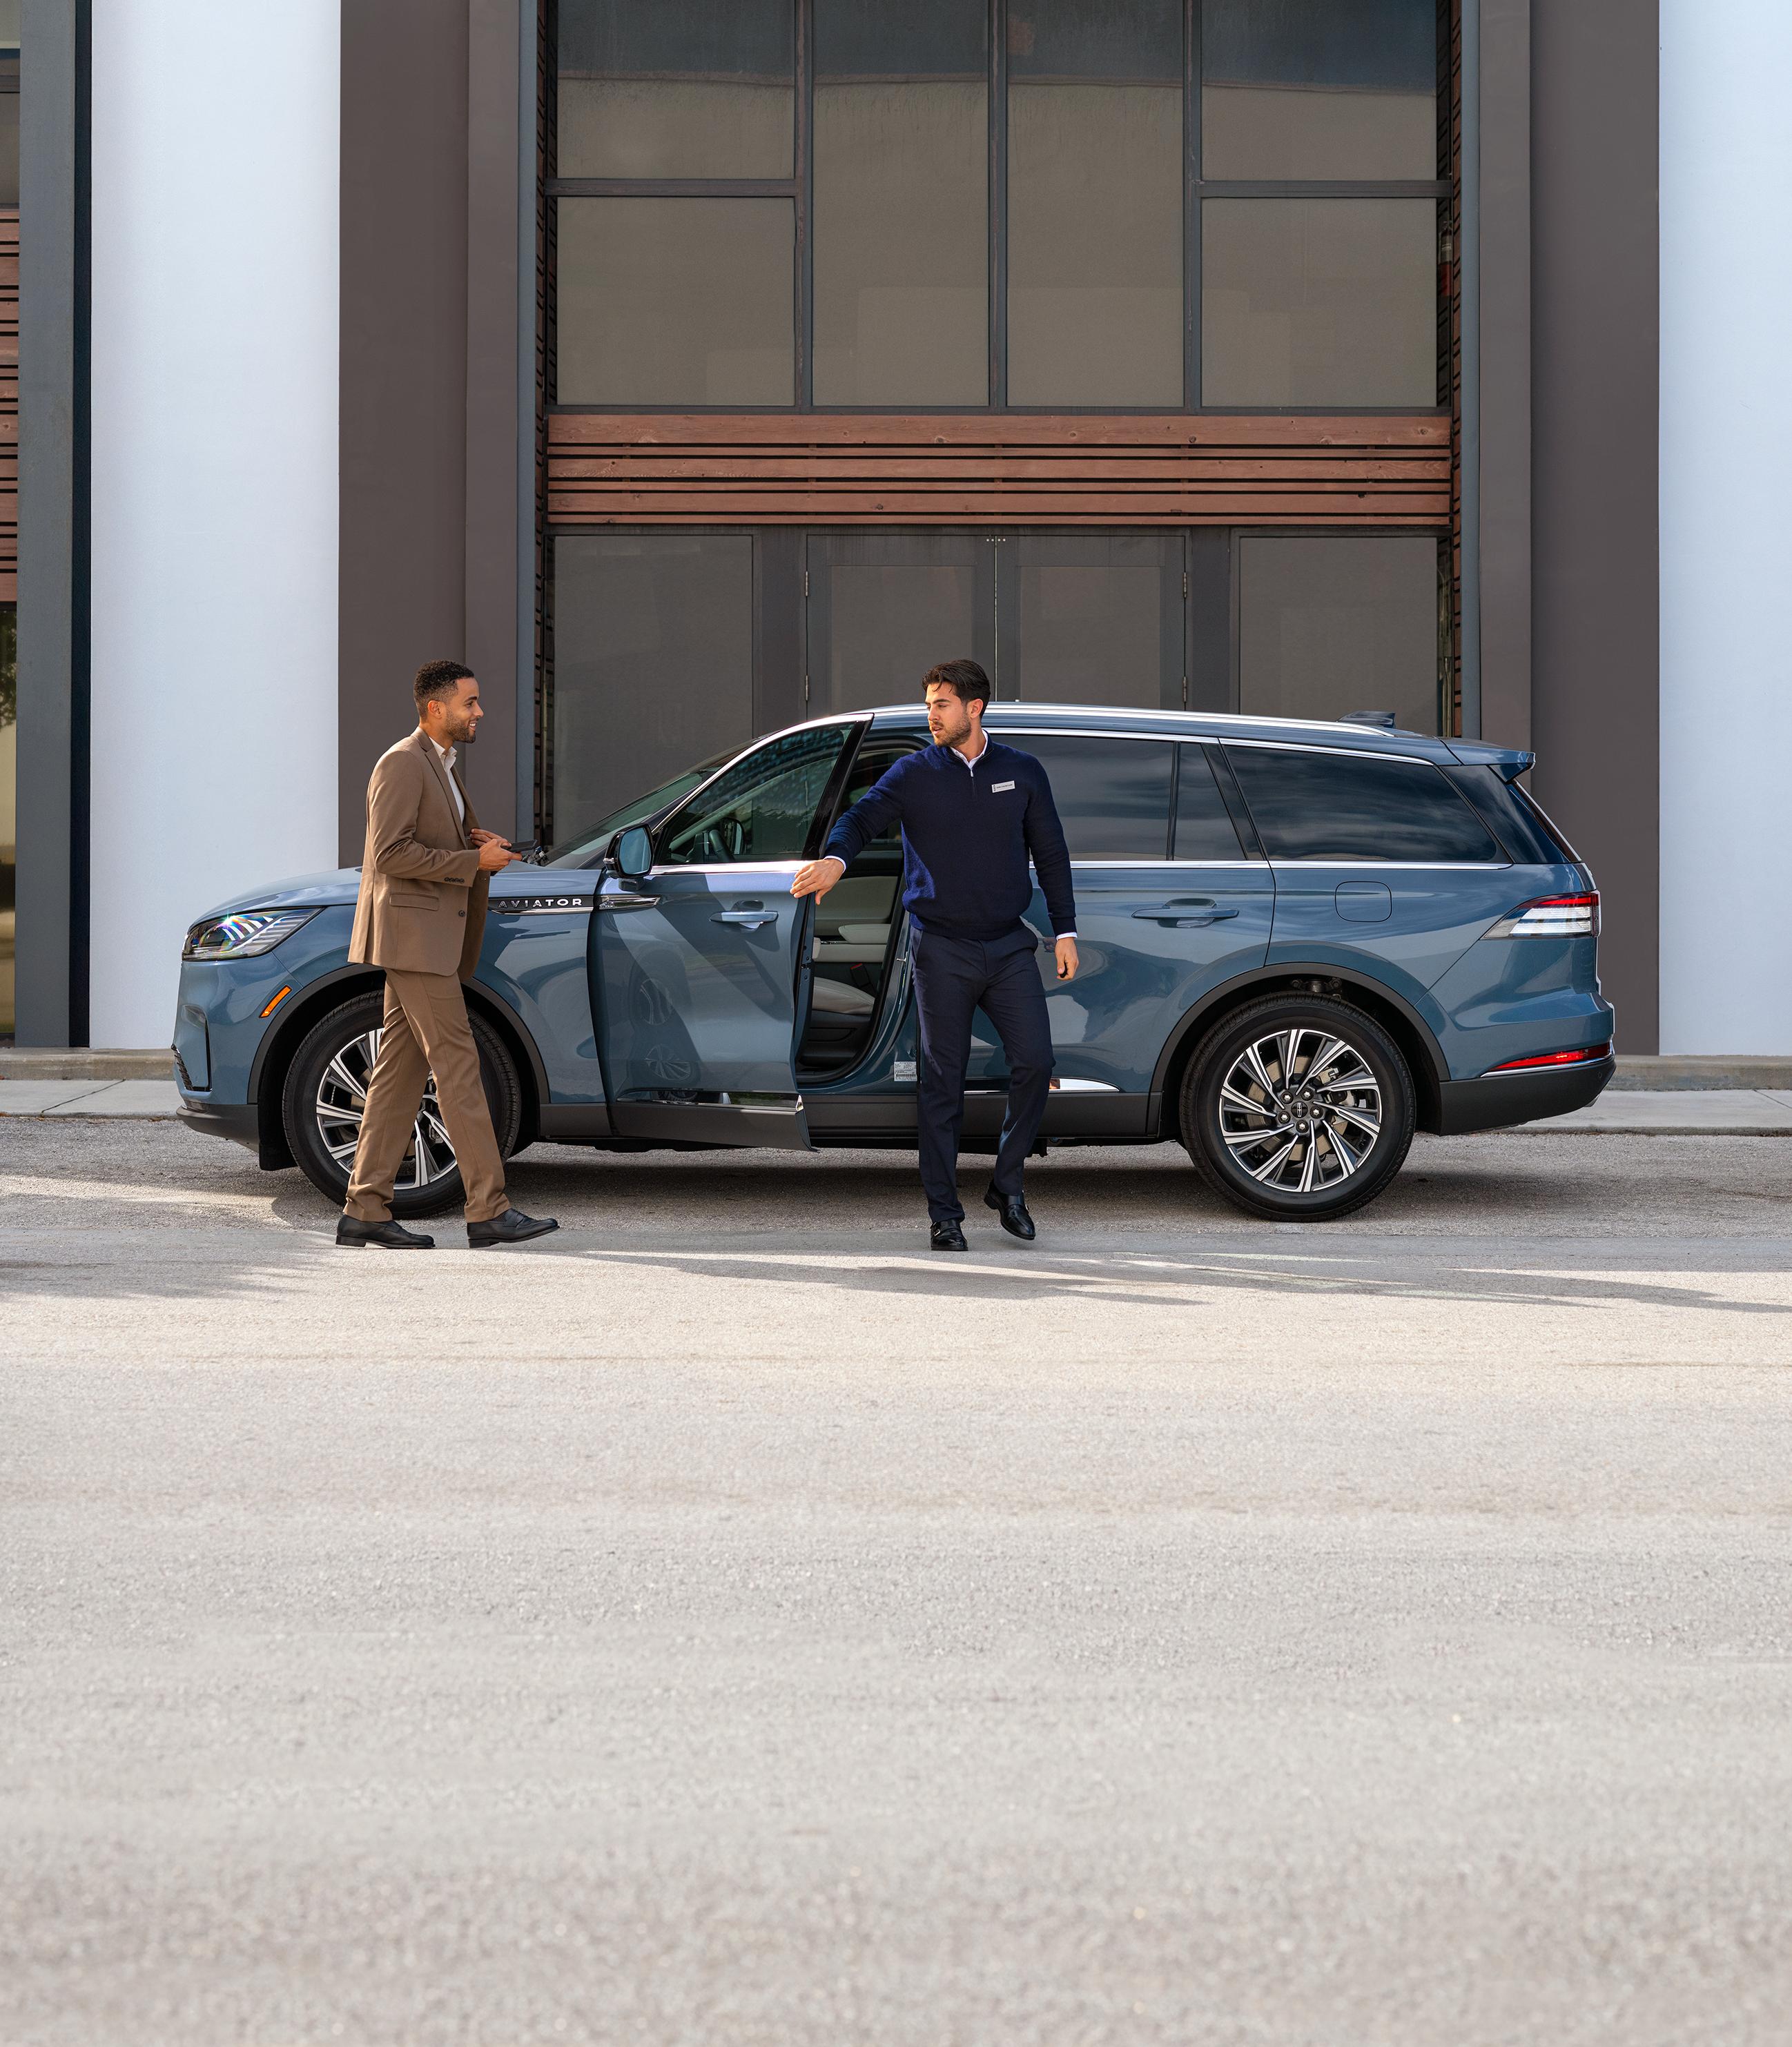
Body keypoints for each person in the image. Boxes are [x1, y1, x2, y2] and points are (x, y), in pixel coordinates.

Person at [791, 660, 1078, 1251]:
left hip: (1008, 945)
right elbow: (860, 818)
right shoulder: (914, 773)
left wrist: (1066, 931)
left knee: (1036, 1063)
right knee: (942, 1081)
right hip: (941, 947)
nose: (931, 716)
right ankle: (944, 1214)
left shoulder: (1022, 771)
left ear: (975, 708)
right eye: (929, 705)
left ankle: (1008, 1184)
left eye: (941, 705)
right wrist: (837, 860)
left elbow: (1051, 853)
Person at [337, 659, 558, 1251]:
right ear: (436, 708)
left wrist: (475, 845)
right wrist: (470, 862)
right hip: (416, 942)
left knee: (398, 1075)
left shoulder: (441, 764)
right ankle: (489, 1209)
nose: (479, 711)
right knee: (459, 1068)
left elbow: (425, 842)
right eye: (470, 702)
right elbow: (389, 854)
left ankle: (365, 1209)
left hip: (427, 940)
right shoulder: (402, 763)